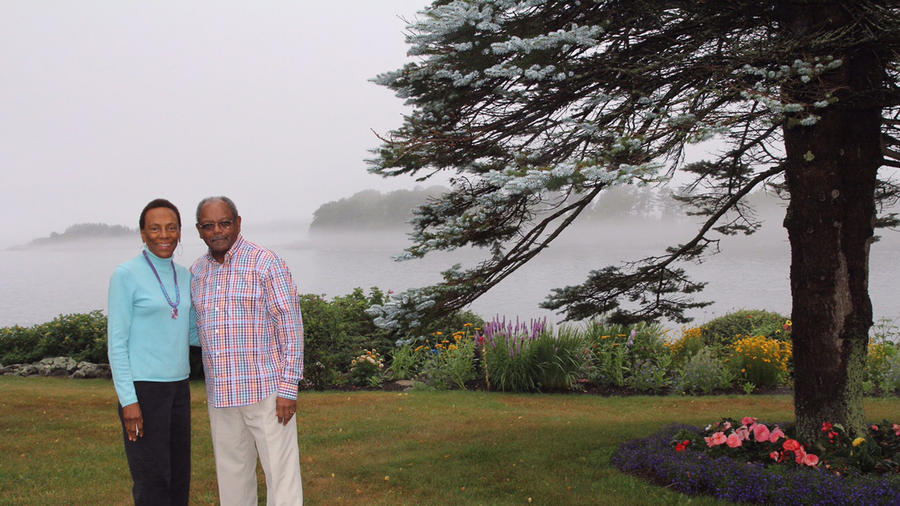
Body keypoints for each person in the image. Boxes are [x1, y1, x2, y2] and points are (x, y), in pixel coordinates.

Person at [190, 196, 304, 506]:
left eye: (224, 223)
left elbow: (291, 328)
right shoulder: (197, 272)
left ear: (238, 222)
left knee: (282, 480)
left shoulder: (266, 263)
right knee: (232, 481)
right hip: (222, 396)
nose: (218, 231)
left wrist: (288, 388)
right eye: (209, 225)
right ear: (199, 230)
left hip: (266, 393)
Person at [107, 198, 194, 505]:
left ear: (181, 233)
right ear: (142, 233)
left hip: (179, 389)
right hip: (144, 391)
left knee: (179, 477)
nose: (164, 235)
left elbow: (194, 333)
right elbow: (116, 343)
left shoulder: (185, 276)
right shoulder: (126, 275)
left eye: (171, 228)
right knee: (152, 481)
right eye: (155, 228)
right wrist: (128, 401)